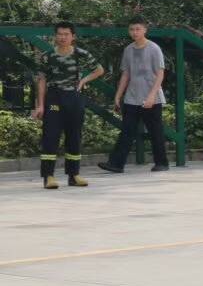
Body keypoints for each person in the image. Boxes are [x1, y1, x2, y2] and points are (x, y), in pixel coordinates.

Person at [33, 21, 104, 189]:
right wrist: (40, 105)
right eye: (59, 34)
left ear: (73, 36)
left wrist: (84, 80)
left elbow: (99, 70)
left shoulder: (81, 54)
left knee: (74, 136)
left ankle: (74, 175)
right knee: (51, 136)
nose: (62, 37)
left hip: (74, 97)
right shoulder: (48, 56)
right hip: (54, 98)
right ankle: (48, 176)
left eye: (66, 34)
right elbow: (41, 81)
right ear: (55, 36)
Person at [98, 16, 169, 174]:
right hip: (132, 97)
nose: (134, 32)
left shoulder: (154, 48)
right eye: (132, 29)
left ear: (145, 30)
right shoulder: (128, 49)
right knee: (127, 130)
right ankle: (116, 164)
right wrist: (118, 95)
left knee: (155, 131)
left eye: (138, 29)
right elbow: (126, 74)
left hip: (152, 97)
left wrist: (152, 96)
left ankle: (162, 163)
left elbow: (160, 74)